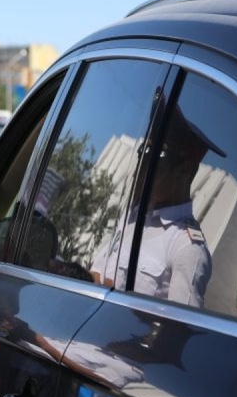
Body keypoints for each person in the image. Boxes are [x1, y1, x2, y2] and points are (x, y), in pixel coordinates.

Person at [90, 104, 226, 308]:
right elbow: (96, 274)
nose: (141, 166)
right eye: (142, 153)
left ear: (185, 171)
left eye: (156, 157)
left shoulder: (187, 247)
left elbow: (175, 332)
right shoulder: (132, 218)